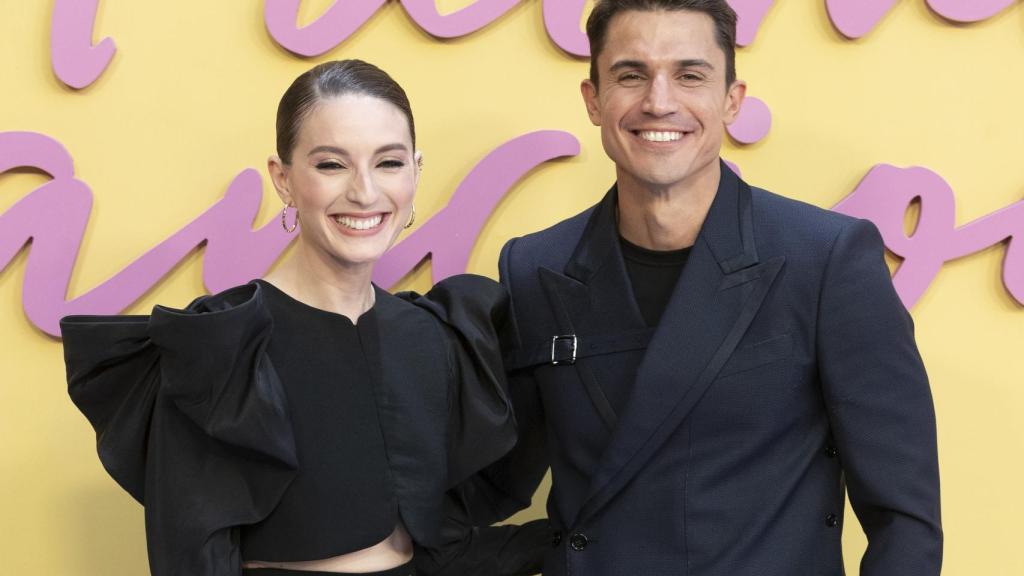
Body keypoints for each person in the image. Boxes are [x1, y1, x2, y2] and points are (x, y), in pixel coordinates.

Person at [492, 1, 943, 574]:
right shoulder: (534, 266)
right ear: (593, 99)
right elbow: (497, 482)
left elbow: (904, 518)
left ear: (732, 99)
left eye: (690, 74)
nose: (659, 101)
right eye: (631, 75)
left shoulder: (827, 259)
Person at [61, 60, 547, 576]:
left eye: (388, 163)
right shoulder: (223, 346)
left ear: (416, 171)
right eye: (331, 164)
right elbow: (192, 554)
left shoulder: (435, 336)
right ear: (284, 179)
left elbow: (445, 539)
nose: (364, 192)